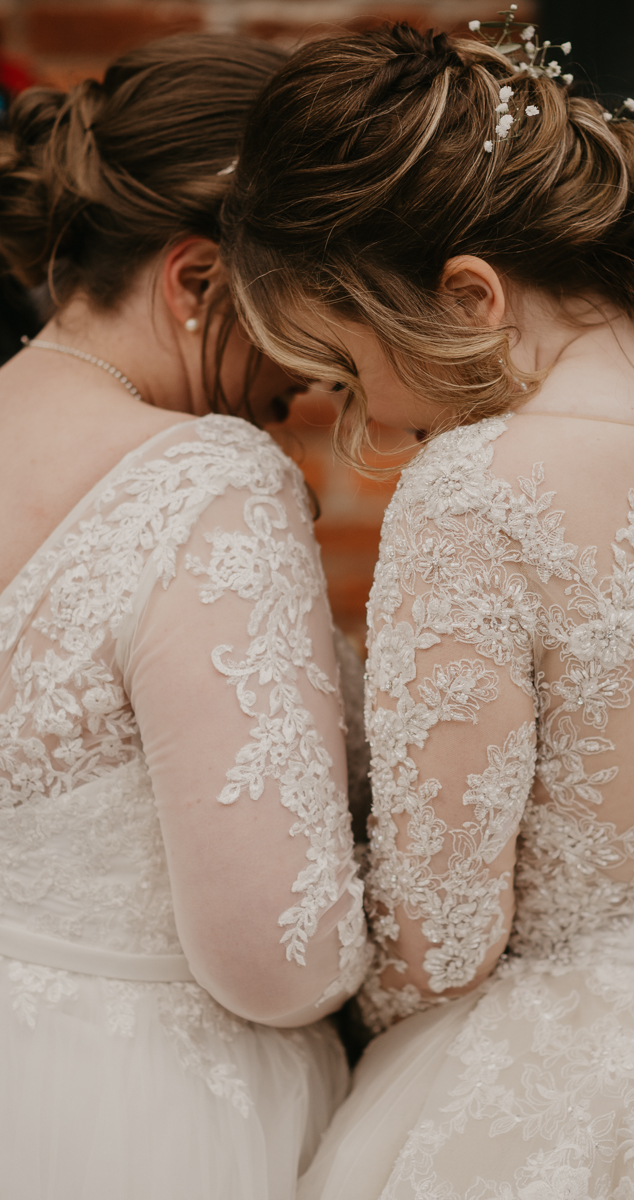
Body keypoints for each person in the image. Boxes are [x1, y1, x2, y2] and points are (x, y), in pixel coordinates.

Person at [223, 20, 634, 1199]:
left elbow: (437, 940)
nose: (369, 424)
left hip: (560, 1102)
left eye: (347, 369)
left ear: (469, 295)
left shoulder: (478, 494)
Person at [0, 33, 370, 1200]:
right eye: (308, 316)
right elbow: (280, 958)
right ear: (197, 283)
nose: (323, 374)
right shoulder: (206, 480)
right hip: (144, 1122)